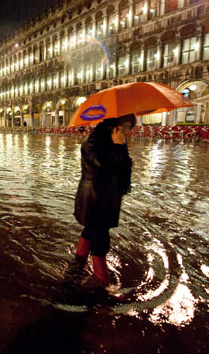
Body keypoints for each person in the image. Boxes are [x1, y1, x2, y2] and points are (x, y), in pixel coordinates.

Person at [72, 113, 136, 287]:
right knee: (100, 240)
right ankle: (103, 285)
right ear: (114, 125)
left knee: (90, 231)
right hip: (95, 199)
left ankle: (78, 262)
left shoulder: (112, 140)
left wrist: (122, 151)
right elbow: (102, 164)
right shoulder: (93, 141)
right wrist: (117, 146)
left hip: (105, 197)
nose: (128, 132)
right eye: (126, 128)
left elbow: (117, 166)